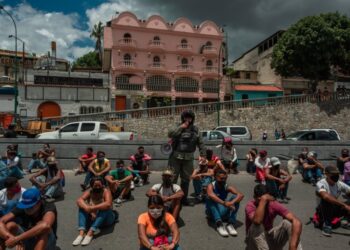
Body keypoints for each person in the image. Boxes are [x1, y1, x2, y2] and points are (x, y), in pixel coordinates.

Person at [245, 184, 302, 250]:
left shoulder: (272, 204)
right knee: (256, 226)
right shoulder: (250, 205)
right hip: (253, 242)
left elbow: (297, 222)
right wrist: (263, 200)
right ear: (254, 197)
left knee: (289, 223)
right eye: (260, 200)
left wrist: (293, 246)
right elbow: (257, 221)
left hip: (269, 237)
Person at [168, 110, 206, 206]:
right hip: (175, 158)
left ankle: (183, 199)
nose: (188, 119)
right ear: (183, 118)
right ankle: (170, 199)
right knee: (172, 178)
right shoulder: (177, 126)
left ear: (192, 119)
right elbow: (170, 134)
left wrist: (203, 155)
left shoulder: (195, 129)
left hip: (188, 159)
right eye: (186, 117)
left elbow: (201, 143)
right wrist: (181, 127)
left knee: (186, 180)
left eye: (190, 117)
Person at [73, 176, 116, 246]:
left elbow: (108, 204)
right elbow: (79, 200)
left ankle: (90, 232)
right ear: (92, 186)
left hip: (106, 219)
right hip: (93, 218)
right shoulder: (89, 191)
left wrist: (92, 208)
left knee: (105, 208)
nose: (98, 187)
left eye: (99, 185)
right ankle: (81, 233)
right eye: (95, 185)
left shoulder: (106, 191)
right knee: (82, 207)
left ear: (102, 185)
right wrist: (87, 208)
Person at [206, 169, 244, 237]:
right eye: (221, 178)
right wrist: (224, 203)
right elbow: (211, 194)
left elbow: (241, 195)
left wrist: (232, 202)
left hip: (223, 210)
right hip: (212, 213)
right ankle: (219, 224)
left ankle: (230, 223)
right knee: (209, 198)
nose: (223, 180)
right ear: (215, 177)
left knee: (236, 197)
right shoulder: (211, 185)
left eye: (225, 178)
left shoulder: (227, 186)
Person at [315, 165, 350, 236]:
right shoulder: (321, 183)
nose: (336, 176)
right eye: (333, 174)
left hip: (334, 208)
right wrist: (344, 205)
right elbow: (325, 196)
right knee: (328, 199)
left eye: (337, 174)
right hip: (323, 210)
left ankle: (345, 220)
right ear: (327, 174)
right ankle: (327, 225)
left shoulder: (339, 184)